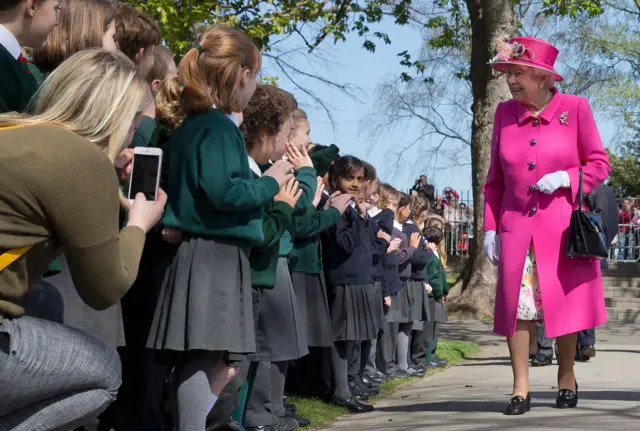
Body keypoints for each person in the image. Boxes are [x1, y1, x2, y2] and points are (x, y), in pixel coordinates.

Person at [0, 48, 166, 431]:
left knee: (45, 298)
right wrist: (138, 224)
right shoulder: (81, 161)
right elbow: (104, 289)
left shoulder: (13, 130)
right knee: (105, 370)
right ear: (119, 116)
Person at [145, 25, 292, 431]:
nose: (256, 85)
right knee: (205, 358)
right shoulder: (217, 127)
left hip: (204, 256)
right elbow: (223, 191)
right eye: (257, 75)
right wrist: (270, 183)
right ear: (242, 74)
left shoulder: (195, 124)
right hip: (214, 259)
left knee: (207, 360)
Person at [483, 36, 611, 415]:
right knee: (518, 308)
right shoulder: (505, 114)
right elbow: (494, 181)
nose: (511, 80)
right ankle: (520, 387)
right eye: (508, 73)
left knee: (564, 305)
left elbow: (599, 164)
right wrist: (490, 227)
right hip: (515, 227)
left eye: (519, 73)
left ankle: (566, 376)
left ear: (542, 77)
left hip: (561, 229)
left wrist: (568, 179)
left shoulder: (576, 108)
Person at [0, 0, 60, 113]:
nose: (56, 22)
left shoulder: (9, 57)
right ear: (32, 6)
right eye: (56, 9)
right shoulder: (2, 60)